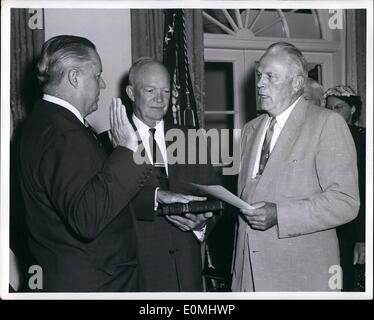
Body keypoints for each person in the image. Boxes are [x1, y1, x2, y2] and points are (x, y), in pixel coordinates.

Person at [18, 36, 196, 292]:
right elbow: (87, 217)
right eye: (97, 75)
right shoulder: (64, 133)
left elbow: (92, 193)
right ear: (74, 77)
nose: (102, 84)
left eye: (166, 91)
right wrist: (125, 150)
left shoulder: (43, 122)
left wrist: (157, 197)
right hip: (94, 283)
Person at [231, 42, 359, 291]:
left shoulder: (326, 124)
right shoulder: (250, 130)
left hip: (299, 276)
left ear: (297, 83)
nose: (260, 84)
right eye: (260, 75)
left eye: (271, 77)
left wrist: (280, 215)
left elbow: (345, 202)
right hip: (248, 277)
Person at [101, 58, 216, 291]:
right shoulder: (106, 144)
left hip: (187, 275)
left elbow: (214, 199)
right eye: (150, 90)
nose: (160, 99)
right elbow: (104, 207)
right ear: (132, 93)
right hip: (136, 274)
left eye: (166, 91)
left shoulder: (192, 139)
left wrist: (200, 225)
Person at [324, 85, 366, 291]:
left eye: (338, 108)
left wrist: (363, 238)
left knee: (347, 281)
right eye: (329, 108)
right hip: (328, 220)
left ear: (353, 110)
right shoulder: (322, 137)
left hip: (354, 224)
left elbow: (366, 189)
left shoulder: (364, 139)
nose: (332, 113)